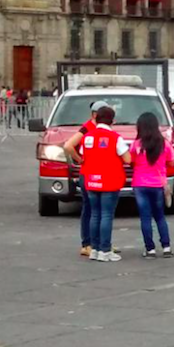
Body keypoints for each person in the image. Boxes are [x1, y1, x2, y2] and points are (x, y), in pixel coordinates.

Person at [81, 106, 131, 262]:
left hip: (91, 180)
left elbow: (83, 155)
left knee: (94, 215)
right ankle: (105, 250)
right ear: (112, 120)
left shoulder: (87, 137)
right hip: (110, 181)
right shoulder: (115, 138)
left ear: (95, 118)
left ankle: (95, 249)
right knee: (107, 215)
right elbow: (128, 159)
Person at [63, 100, 109, 257]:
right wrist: (80, 159)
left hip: (98, 173)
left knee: (99, 210)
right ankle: (87, 243)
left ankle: (101, 243)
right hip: (88, 174)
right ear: (96, 115)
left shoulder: (99, 128)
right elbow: (68, 146)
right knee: (90, 209)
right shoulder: (87, 128)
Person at [131, 112, 174, 258]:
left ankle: (150, 249)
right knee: (160, 217)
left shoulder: (136, 144)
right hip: (158, 184)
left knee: (145, 218)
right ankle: (166, 247)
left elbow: (131, 161)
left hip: (139, 184)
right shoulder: (164, 143)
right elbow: (172, 161)